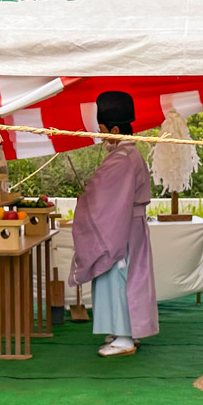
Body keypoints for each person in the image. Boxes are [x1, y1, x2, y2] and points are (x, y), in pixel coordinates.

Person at [69, 91, 158, 357]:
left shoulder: (122, 158)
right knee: (121, 276)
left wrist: (85, 200)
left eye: (104, 130)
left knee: (120, 276)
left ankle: (124, 337)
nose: (101, 135)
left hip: (121, 228)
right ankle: (122, 330)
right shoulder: (128, 153)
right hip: (127, 224)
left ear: (116, 129)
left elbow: (103, 197)